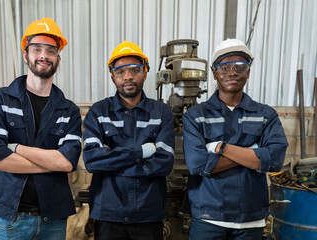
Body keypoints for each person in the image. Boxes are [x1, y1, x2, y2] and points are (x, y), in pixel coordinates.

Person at [0, 18, 82, 239]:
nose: (43, 56)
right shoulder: (0, 100)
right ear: (25, 55)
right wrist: (50, 164)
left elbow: (67, 163)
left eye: (50, 51)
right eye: (37, 49)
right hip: (11, 218)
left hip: (53, 220)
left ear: (58, 58)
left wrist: (16, 147)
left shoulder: (69, 110)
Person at [182, 38, 288, 240]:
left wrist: (221, 148)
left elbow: (274, 160)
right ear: (214, 73)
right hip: (208, 218)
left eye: (240, 66)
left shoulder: (266, 115)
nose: (232, 72)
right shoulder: (196, 116)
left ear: (248, 72)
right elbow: (197, 165)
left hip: (251, 218)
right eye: (225, 67)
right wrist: (253, 153)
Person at [83, 40, 175, 240]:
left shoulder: (161, 113)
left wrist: (112, 163)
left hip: (148, 215)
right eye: (120, 71)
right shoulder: (98, 112)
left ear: (145, 72)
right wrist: (141, 153)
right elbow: (92, 160)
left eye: (135, 69)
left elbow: (164, 163)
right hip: (108, 215)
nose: (128, 77)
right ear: (112, 76)